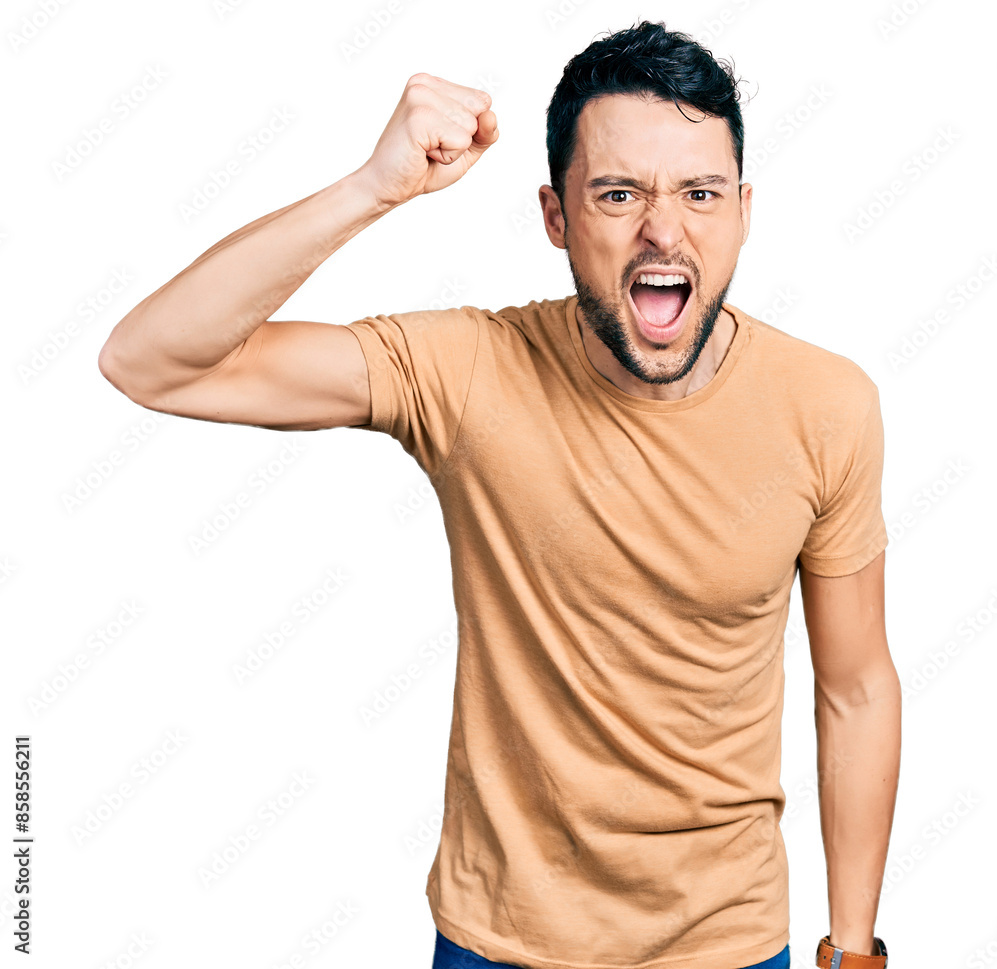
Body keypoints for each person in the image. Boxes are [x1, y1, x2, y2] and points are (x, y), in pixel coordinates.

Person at [98, 19, 901, 969]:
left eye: (700, 192)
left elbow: (853, 687)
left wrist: (855, 950)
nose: (664, 227)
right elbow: (151, 363)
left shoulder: (827, 405)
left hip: (729, 944)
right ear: (556, 217)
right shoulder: (469, 370)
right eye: (616, 192)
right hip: (500, 944)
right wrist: (373, 188)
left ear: (743, 209)